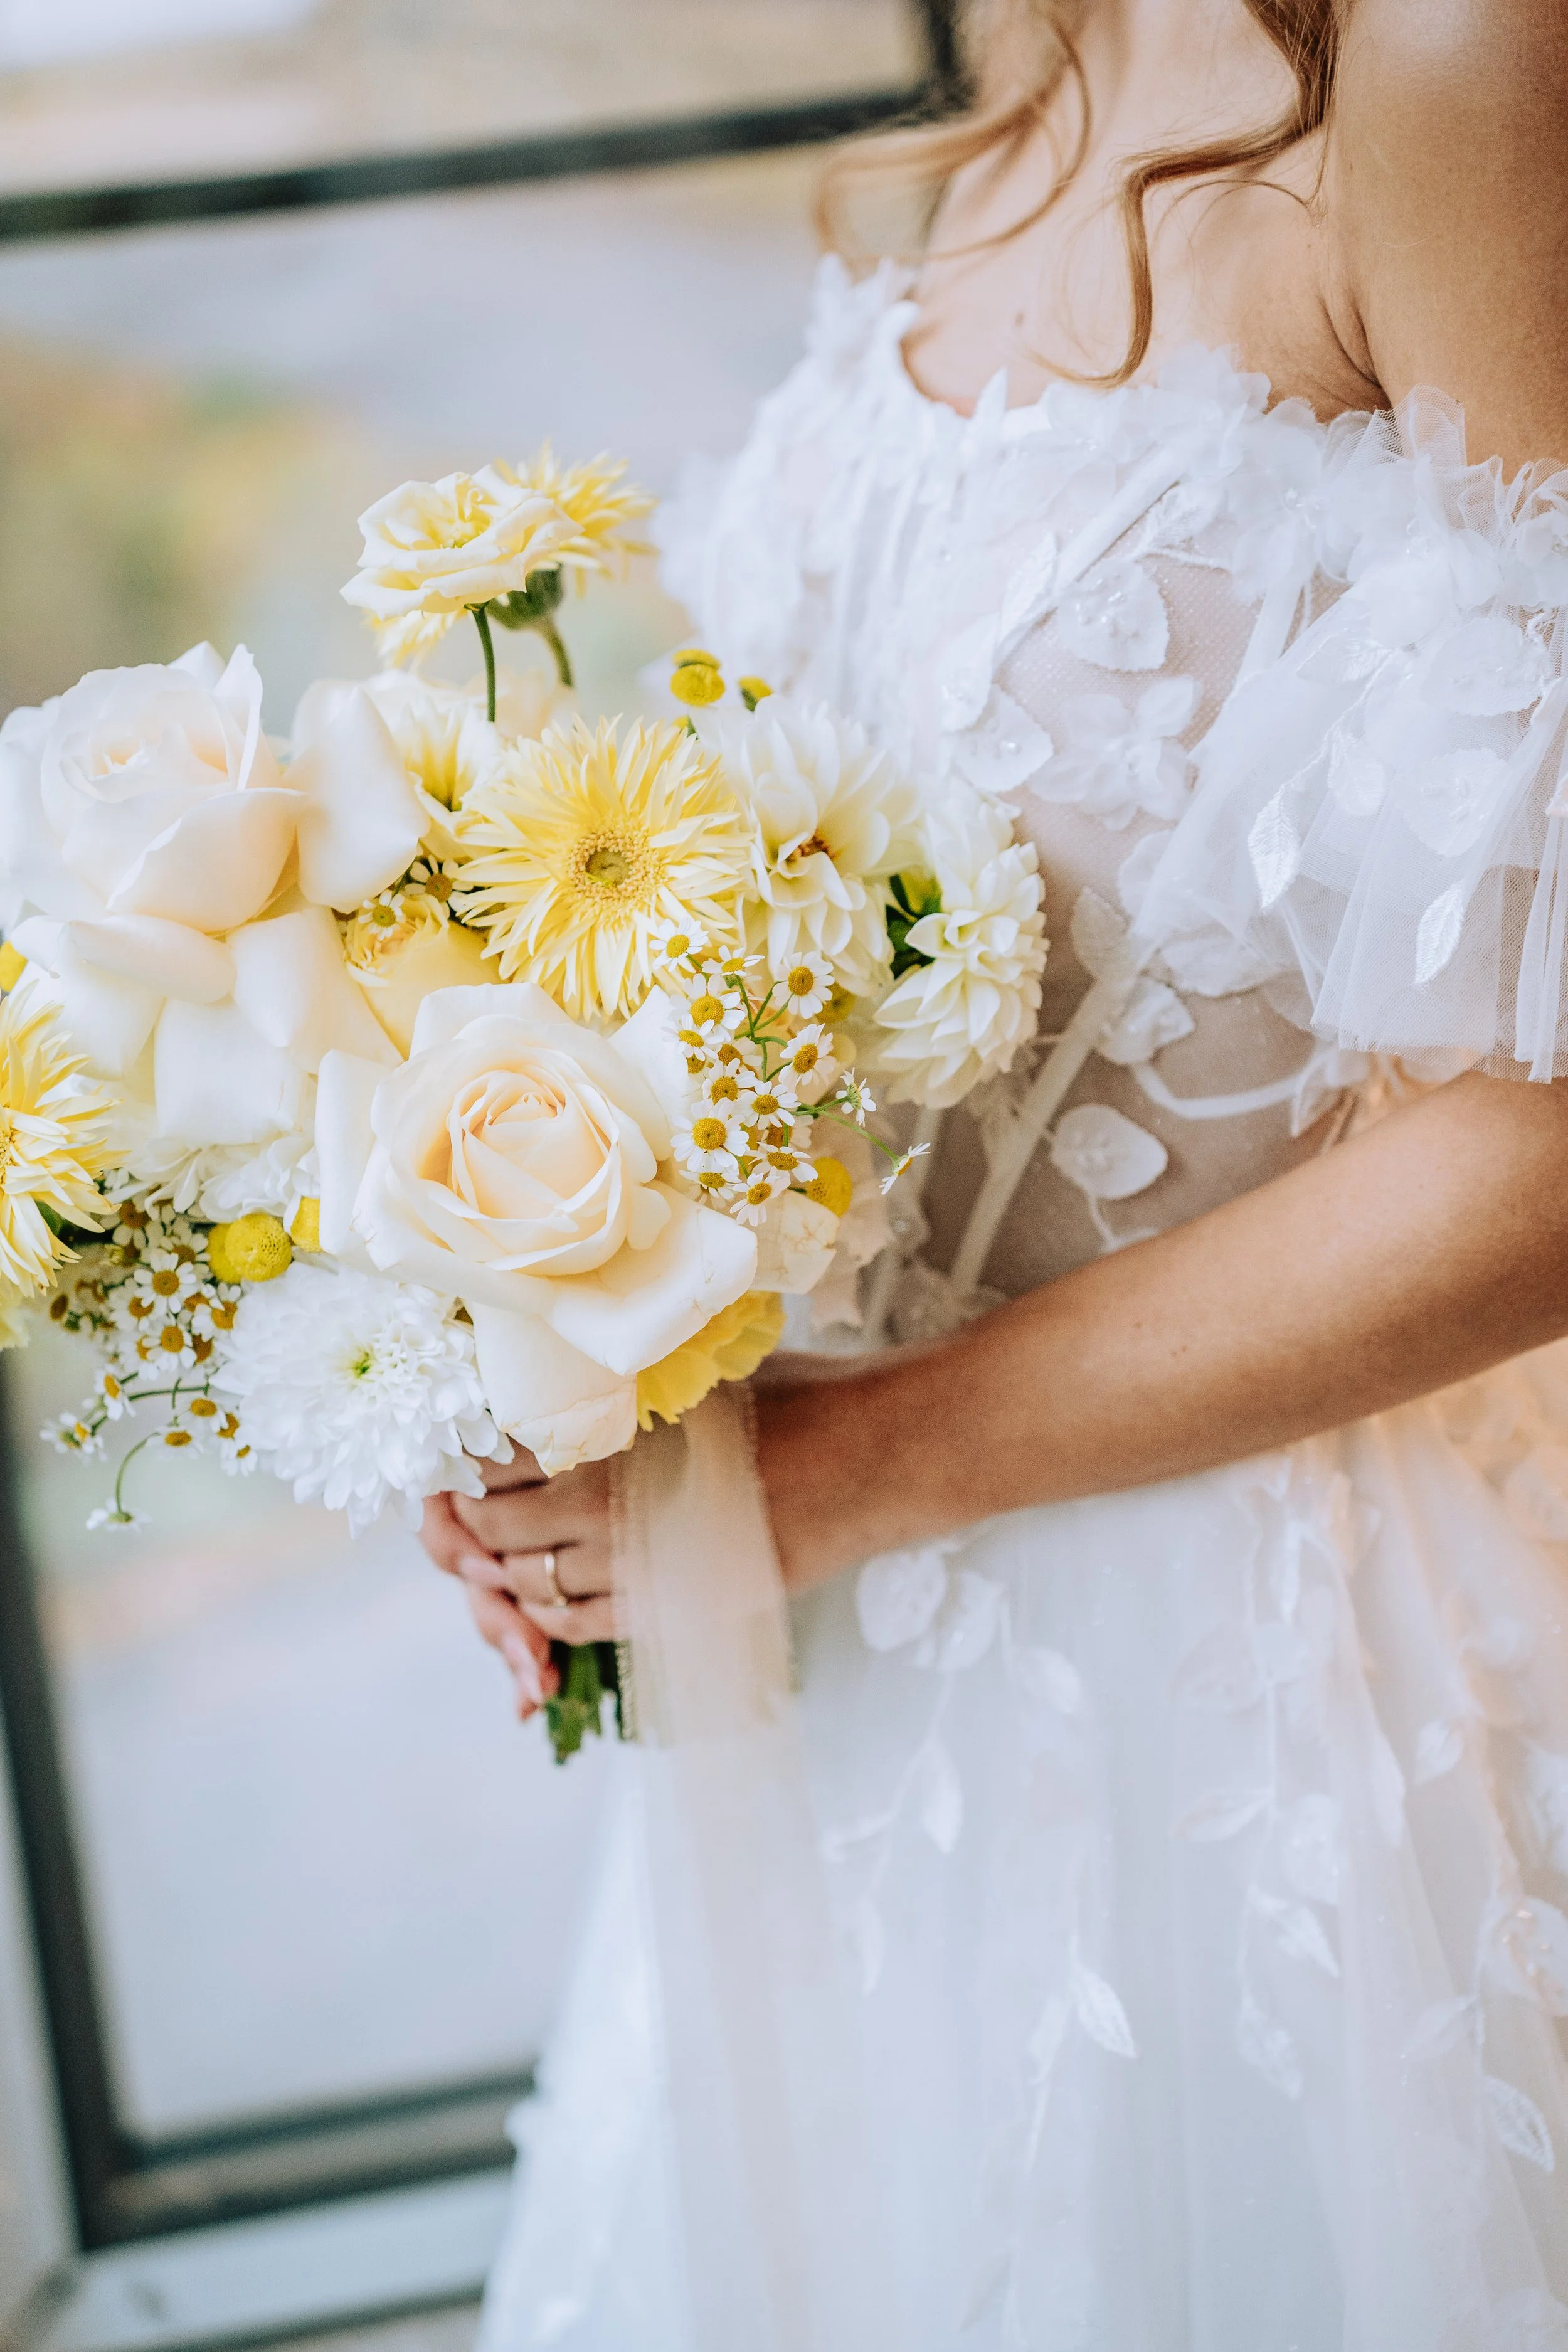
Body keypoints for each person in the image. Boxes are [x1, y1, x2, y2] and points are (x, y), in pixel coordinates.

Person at [418, 0, 1568, 2341]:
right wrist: (555, 1313)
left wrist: (841, 1468)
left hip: (1276, 1705)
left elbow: (1546, 1143)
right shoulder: (1048, 28)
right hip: (857, 1666)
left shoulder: (1447, 61)